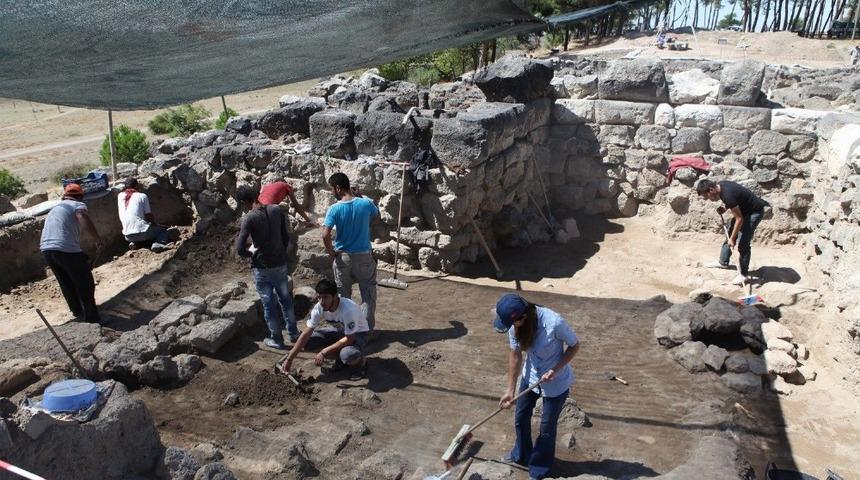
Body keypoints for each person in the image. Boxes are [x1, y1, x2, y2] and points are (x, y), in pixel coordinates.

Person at [494, 293, 580, 480]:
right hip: (530, 375)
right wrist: (510, 390)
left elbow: (574, 345)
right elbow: (515, 355)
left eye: (512, 323)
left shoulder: (554, 322)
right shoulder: (515, 326)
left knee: (547, 429)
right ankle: (522, 454)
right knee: (520, 417)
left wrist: (555, 369)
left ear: (523, 317)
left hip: (555, 382)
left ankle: (540, 468)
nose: (510, 327)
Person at [235, 188, 298, 349]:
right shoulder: (276, 210)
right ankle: (294, 333)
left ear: (244, 203)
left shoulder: (249, 218)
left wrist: (253, 253)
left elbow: (240, 249)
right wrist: (281, 254)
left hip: (262, 267)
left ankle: (277, 339)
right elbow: (286, 236)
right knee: (286, 299)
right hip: (280, 264)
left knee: (269, 304)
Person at [277, 279, 369, 380]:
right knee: (307, 342)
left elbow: (350, 339)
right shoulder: (319, 307)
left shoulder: (348, 310)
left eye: (325, 297)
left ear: (335, 296)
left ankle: (360, 362)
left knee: (348, 355)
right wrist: (290, 359)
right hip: (340, 331)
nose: (321, 302)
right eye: (319, 297)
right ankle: (340, 359)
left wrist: (324, 352)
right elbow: (305, 334)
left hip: (358, 335)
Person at [322, 173, 379, 332]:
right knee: (367, 295)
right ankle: (365, 331)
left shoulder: (334, 208)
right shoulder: (366, 203)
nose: (332, 192)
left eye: (332, 189)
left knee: (343, 296)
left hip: (343, 257)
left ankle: (346, 331)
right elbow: (376, 216)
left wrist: (331, 253)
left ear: (338, 188)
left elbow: (325, 234)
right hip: (364, 257)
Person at [40, 183, 104, 324]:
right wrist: (97, 239)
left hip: (46, 249)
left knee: (66, 282)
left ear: (65, 196)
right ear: (81, 196)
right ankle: (93, 319)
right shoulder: (77, 206)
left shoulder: (55, 209)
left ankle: (77, 312)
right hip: (64, 248)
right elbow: (82, 217)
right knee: (85, 284)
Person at [696, 179, 768, 285]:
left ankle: (743, 275)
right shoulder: (720, 186)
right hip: (744, 211)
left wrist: (733, 238)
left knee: (743, 244)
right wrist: (725, 208)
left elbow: (739, 219)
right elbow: (737, 199)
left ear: (711, 190)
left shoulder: (728, 195)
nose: (709, 200)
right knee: (729, 234)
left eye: (707, 197)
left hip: (754, 213)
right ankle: (723, 262)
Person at [117, 177, 170, 252]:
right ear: (136, 186)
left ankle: (134, 243)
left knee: (142, 232)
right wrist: (155, 224)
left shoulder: (120, 196)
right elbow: (148, 215)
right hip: (143, 233)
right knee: (162, 231)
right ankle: (158, 244)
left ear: (125, 187)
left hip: (127, 236)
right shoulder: (142, 196)